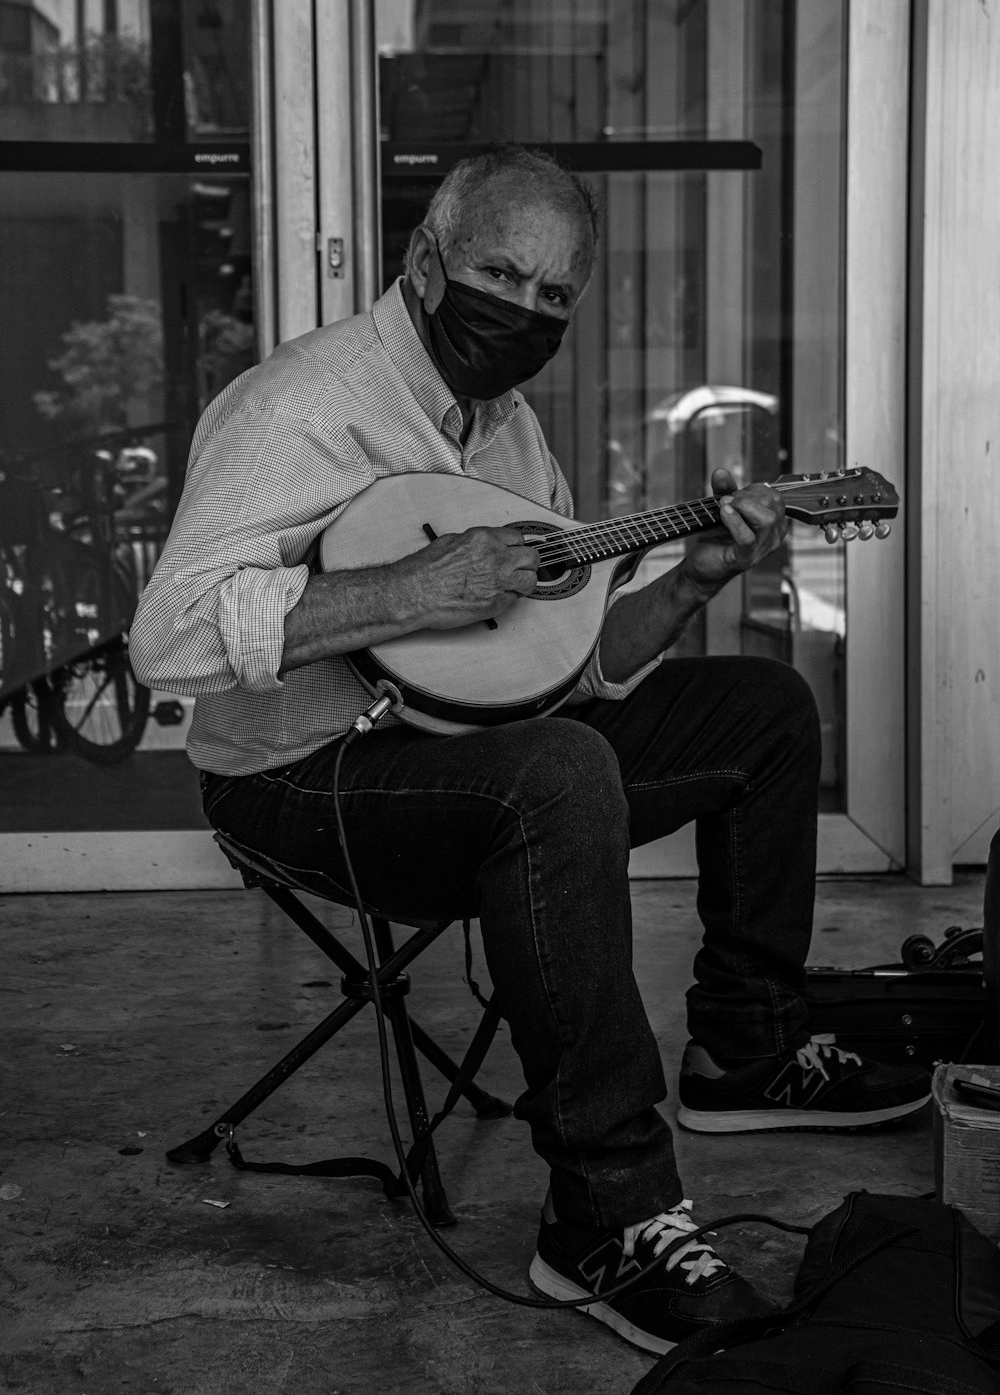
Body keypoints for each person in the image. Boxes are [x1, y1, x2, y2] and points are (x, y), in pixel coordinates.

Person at [131, 144, 931, 1357]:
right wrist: (407, 587)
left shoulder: (507, 437)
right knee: (559, 773)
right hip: (301, 776)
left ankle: (743, 1051)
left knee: (759, 711)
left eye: (557, 296)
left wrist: (695, 578)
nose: (527, 312)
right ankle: (606, 1220)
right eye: (502, 273)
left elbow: (569, 665)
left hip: (471, 742)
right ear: (425, 259)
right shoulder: (302, 406)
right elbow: (167, 641)